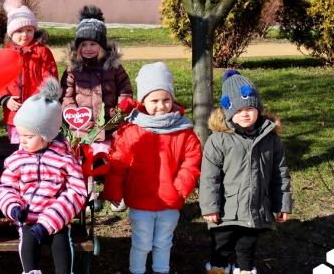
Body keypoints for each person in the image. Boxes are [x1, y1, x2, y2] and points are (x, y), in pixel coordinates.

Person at [103, 62, 202, 274]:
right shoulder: (131, 131)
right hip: (140, 199)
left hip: (170, 201)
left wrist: (179, 188)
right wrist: (114, 191)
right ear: (143, 101)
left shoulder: (183, 130)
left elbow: (191, 161)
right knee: (141, 243)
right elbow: (118, 163)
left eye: (166, 100)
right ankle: (137, 271)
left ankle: (161, 270)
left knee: (164, 242)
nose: (161, 105)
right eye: (154, 100)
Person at [200, 70, 292, 274]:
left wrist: (282, 204)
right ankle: (218, 269)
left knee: (247, 246)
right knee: (221, 245)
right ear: (229, 111)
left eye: (250, 108)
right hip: (225, 210)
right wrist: (209, 207)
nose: (245, 113)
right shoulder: (219, 140)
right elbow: (209, 177)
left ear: (258, 108)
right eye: (239, 110)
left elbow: (280, 174)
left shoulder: (272, 140)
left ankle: (244, 270)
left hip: (256, 206)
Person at [0, 78, 88, 274]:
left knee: (61, 239)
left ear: (47, 135)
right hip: (27, 216)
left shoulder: (65, 159)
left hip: (56, 217)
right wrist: (13, 208)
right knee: (28, 240)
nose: (23, 141)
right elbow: (5, 187)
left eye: (29, 137)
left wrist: (50, 220)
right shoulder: (16, 159)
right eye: (21, 135)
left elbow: (77, 192)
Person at [59, 5, 133, 153]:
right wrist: (72, 111)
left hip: (108, 124)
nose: (88, 48)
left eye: (93, 44)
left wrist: (119, 110)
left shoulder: (113, 67)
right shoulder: (73, 69)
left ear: (102, 46)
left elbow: (124, 89)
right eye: (83, 45)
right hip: (82, 126)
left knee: (107, 157)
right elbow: (66, 94)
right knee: (84, 158)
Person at [0, 0, 59, 144]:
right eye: (19, 31)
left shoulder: (42, 52)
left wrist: (37, 100)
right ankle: (19, 165)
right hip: (14, 110)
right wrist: (5, 99)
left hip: (37, 110)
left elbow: (49, 78)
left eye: (29, 30)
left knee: (36, 141)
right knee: (18, 141)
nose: (25, 34)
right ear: (11, 33)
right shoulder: (5, 55)